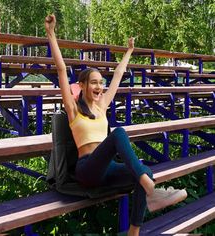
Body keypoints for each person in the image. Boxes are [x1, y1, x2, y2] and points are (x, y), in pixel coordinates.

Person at [45, 14, 187, 236]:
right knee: (120, 133)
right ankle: (152, 191)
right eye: (94, 82)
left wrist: (129, 51)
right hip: (87, 169)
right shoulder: (74, 111)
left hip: (107, 168)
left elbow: (119, 75)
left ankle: (134, 231)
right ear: (81, 85)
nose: (99, 87)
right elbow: (62, 70)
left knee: (146, 171)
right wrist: (51, 34)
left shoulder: (102, 107)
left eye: (101, 83)